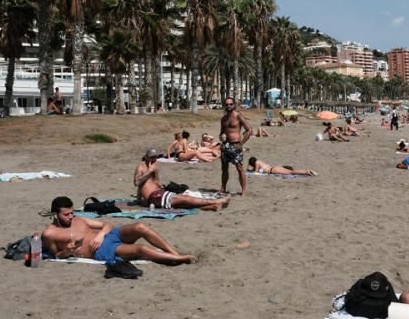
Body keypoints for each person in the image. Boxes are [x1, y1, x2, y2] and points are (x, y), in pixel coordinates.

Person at [41, 195, 197, 265]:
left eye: (72, 212)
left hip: (107, 236)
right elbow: (55, 255)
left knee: (140, 227)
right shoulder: (50, 233)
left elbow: (106, 225)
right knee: (141, 249)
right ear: (55, 214)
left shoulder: (79, 219)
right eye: (66, 214)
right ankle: (179, 259)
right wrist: (66, 251)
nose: (71, 216)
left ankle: (174, 253)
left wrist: (101, 234)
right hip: (101, 249)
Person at [134, 149, 230, 211]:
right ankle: (215, 201)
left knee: (183, 202)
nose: (153, 159)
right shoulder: (141, 167)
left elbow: (156, 183)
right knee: (185, 199)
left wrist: (155, 172)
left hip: (159, 193)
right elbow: (137, 182)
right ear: (146, 157)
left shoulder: (154, 167)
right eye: (151, 157)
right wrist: (149, 171)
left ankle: (212, 207)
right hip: (154, 196)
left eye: (155, 157)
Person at [219, 96, 251, 196]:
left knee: (239, 168)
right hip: (225, 146)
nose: (229, 106)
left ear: (234, 105)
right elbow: (221, 133)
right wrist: (221, 137)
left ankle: (244, 191)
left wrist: (241, 144)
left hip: (236, 145)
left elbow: (249, 130)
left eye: (231, 104)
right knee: (224, 168)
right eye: (227, 104)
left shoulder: (238, 115)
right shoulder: (223, 118)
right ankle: (223, 188)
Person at [247, 157, 317, 176]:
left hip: (273, 170)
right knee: (291, 172)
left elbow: (255, 173)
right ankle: (307, 172)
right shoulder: (260, 161)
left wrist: (248, 168)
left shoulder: (257, 163)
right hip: (274, 168)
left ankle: (307, 172)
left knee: (291, 172)